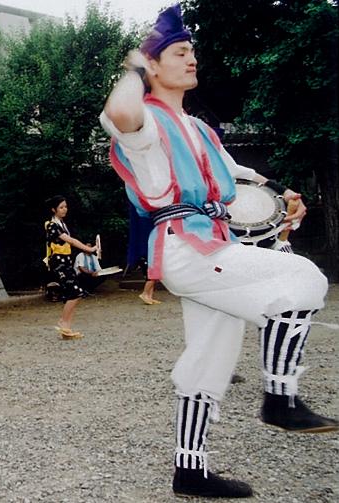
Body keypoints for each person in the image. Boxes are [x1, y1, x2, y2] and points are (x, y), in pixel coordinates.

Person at [100, 4, 334, 498]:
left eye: (192, 53)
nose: (192, 60)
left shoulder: (199, 128)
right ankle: (281, 397)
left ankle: (190, 470)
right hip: (186, 245)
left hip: (213, 243)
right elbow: (119, 113)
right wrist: (136, 65)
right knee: (304, 278)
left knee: (208, 359)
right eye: (180, 53)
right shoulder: (148, 125)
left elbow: (238, 173)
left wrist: (285, 192)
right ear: (155, 66)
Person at [44, 195, 97, 339]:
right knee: (75, 292)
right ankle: (63, 322)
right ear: (53, 209)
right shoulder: (52, 225)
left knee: (73, 294)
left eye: (65, 206)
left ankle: (66, 328)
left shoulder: (61, 224)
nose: (64, 209)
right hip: (59, 263)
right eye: (61, 207)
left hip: (66, 262)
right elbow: (71, 241)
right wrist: (90, 249)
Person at [126, 202, 161, 305]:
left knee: (150, 276)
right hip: (145, 255)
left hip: (146, 254)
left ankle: (149, 296)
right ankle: (145, 293)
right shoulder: (144, 238)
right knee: (153, 276)